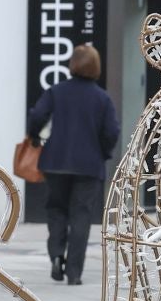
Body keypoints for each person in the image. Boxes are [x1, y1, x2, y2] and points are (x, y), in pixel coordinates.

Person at [26, 44, 120, 286]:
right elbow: (111, 132)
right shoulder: (102, 98)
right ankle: (74, 272)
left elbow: (37, 115)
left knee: (56, 209)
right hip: (89, 165)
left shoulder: (57, 91)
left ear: (73, 65)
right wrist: (103, 152)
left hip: (55, 162)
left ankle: (57, 255)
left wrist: (35, 135)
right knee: (81, 215)